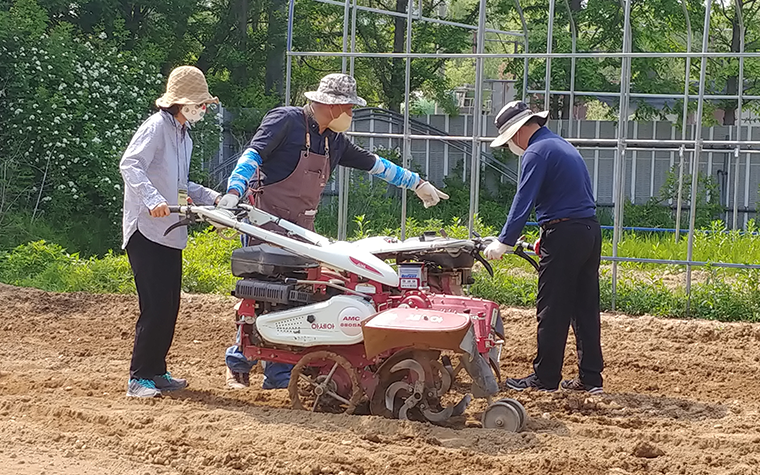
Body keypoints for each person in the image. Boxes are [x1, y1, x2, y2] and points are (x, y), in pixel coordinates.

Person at [218, 73, 449, 389]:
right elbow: (253, 154)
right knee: (266, 295)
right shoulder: (285, 121)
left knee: (298, 297)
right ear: (333, 105)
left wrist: (417, 183)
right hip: (266, 225)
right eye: (350, 108)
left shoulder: (334, 141)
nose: (351, 115)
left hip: (302, 230)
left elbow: (374, 164)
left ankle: (276, 370)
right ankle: (246, 363)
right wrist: (234, 190)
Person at [483, 100, 603, 394]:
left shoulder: (536, 152)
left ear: (521, 130)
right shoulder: (560, 145)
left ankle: (545, 378)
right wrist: (548, 232)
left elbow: (523, 199)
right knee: (584, 307)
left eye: (511, 137)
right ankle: (591, 378)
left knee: (552, 307)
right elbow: (570, 196)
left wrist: (504, 241)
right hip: (587, 230)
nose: (512, 144)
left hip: (565, 233)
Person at [120, 66, 221, 398]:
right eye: (200, 104)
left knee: (170, 304)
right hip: (147, 230)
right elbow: (130, 164)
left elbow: (181, 184)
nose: (204, 109)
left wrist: (213, 197)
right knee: (155, 304)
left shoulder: (184, 137)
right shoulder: (156, 128)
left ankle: (157, 371)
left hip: (170, 230)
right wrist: (151, 200)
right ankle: (138, 378)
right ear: (182, 103)